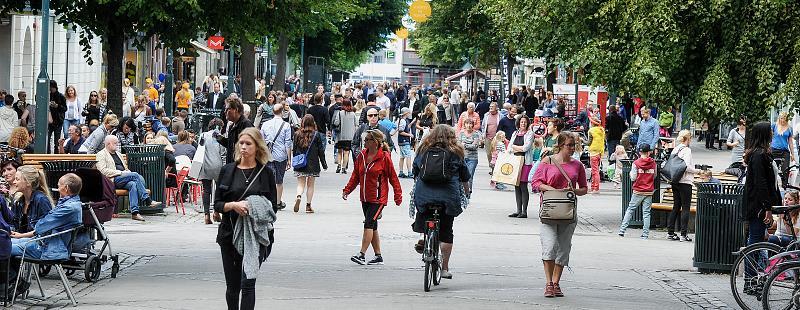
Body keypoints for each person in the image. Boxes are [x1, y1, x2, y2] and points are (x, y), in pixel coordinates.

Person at [213, 127, 277, 310]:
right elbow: (217, 204)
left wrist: (254, 207)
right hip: (229, 234)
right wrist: (233, 205)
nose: (243, 147)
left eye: (248, 144)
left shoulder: (266, 173)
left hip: (256, 236)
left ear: (257, 147)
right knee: (233, 287)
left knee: (248, 284)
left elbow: (273, 208)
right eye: (241, 143)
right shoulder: (227, 171)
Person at [530, 131, 589, 298]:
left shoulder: (578, 165)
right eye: (569, 145)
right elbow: (535, 182)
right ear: (561, 145)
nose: (572, 148)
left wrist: (573, 190)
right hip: (549, 210)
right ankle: (548, 282)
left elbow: (584, 188)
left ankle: (556, 283)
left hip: (568, 212)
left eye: (574, 145)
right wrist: (554, 191)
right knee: (549, 247)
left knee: (563, 248)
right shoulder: (547, 161)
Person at [410, 124, 470, 279]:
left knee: (424, 213)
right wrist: (467, 192)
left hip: (424, 195)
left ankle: (426, 238)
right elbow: (465, 176)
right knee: (446, 231)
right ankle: (444, 268)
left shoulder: (423, 150)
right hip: (448, 197)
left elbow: (414, 171)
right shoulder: (456, 152)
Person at [343, 130, 402, 266]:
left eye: (367, 140)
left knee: (368, 223)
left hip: (378, 198)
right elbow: (356, 176)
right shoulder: (362, 155)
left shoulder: (384, 157)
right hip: (365, 197)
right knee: (373, 226)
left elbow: (393, 177)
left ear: (375, 142)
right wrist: (347, 190)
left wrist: (397, 195)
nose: (364, 142)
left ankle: (362, 254)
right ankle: (378, 256)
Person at [10, 173, 82, 259]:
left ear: (66, 188)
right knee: (6, 242)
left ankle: (10, 273)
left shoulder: (69, 207)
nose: (58, 189)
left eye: (59, 186)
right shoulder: (69, 203)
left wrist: (38, 227)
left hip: (48, 248)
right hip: (43, 241)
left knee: (4, 247)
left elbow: (40, 226)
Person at [96, 135, 161, 221]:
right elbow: (102, 171)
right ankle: (147, 200)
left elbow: (125, 168)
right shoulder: (101, 154)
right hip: (111, 180)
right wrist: (121, 173)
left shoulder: (118, 154)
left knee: (133, 184)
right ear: (108, 144)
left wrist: (127, 172)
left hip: (123, 179)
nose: (118, 145)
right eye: (115, 143)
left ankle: (135, 213)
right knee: (135, 175)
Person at [667, 130, 699, 242]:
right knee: (685, 207)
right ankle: (683, 234)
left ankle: (670, 232)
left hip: (675, 181)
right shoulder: (687, 150)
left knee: (676, 206)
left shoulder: (676, 149)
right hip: (685, 181)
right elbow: (686, 166)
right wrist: (697, 171)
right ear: (688, 139)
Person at [618, 144, 656, 239]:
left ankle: (622, 230)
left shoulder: (636, 163)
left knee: (630, 209)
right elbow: (654, 175)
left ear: (639, 152)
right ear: (649, 152)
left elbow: (633, 177)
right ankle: (645, 234)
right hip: (649, 191)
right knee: (646, 212)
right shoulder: (653, 163)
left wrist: (631, 174)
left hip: (638, 191)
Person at [260, 104, 293, 211]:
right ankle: (278, 202)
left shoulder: (265, 124)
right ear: (282, 112)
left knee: (268, 179)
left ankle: (268, 200)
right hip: (281, 155)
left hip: (268, 155)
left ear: (273, 112)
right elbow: (287, 143)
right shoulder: (286, 125)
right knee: (279, 180)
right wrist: (289, 158)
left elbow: (261, 141)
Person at [292, 115, 327, 214]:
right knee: (310, 185)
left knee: (300, 184)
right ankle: (308, 205)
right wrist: (324, 164)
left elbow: (294, 149)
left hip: (300, 163)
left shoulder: (297, 134)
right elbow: (321, 151)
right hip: (313, 163)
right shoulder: (316, 135)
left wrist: (295, 161)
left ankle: (298, 196)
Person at [9, 166, 53, 236]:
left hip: (38, 241)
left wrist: (20, 236)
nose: (14, 182)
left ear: (28, 183)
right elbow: (13, 223)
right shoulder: (18, 200)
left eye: (17, 179)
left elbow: (46, 229)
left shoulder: (41, 200)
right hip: (21, 239)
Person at [199, 118, 225, 225]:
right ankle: (216, 212)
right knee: (218, 190)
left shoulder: (203, 135)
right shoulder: (219, 136)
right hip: (218, 165)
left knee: (206, 190)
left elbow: (200, 150)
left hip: (205, 165)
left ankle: (206, 216)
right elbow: (223, 153)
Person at [509, 115, 535, 218]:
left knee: (523, 186)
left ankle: (524, 211)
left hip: (525, 163)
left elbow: (526, 148)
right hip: (515, 162)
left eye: (524, 122)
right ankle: (518, 210)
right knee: (516, 186)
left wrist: (515, 147)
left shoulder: (530, 134)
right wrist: (515, 148)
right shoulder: (515, 133)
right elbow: (509, 147)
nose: (523, 124)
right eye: (521, 122)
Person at [218, 98, 254, 164]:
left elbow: (251, 147)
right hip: (233, 167)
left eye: (227, 109)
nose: (225, 111)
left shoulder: (246, 124)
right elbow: (231, 145)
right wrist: (219, 138)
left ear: (236, 110)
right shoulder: (232, 126)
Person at [332, 99, 358, 174]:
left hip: (341, 136)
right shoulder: (353, 114)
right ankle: (344, 168)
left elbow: (336, 123)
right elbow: (356, 124)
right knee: (346, 153)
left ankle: (339, 165)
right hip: (350, 136)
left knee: (339, 152)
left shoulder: (340, 113)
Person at [459, 118, 482, 192]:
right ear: (464, 125)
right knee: (461, 176)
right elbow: (459, 144)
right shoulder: (461, 133)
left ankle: (468, 192)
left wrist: (464, 145)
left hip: (472, 158)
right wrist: (469, 144)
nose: (468, 125)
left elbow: (474, 146)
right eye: (467, 123)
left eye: (470, 124)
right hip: (463, 157)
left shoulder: (476, 134)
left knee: (469, 175)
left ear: (473, 125)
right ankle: (462, 192)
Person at [772, 112, 794, 186]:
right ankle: (772, 185)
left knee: (785, 169)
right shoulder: (774, 126)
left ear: (786, 119)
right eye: (781, 118)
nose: (782, 120)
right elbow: (769, 137)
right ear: (779, 118)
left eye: (784, 118)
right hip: (774, 150)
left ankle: (784, 185)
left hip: (785, 151)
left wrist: (792, 154)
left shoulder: (789, 128)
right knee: (773, 168)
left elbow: (790, 142)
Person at [48, 80, 67, 154]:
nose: (50, 89)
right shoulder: (48, 95)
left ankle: (56, 155)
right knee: (47, 139)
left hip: (58, 120)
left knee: (57, 140)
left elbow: (65, 108)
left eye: (51, 88)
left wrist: (57, 106)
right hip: (50, 120)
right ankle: (48, 154)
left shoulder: (61, 96)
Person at [587, 122, 605, 194]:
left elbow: (589, 142)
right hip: (599, 152)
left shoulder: (591, 131)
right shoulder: (601, 130)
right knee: (596, 170)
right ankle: (593, 187)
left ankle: (595, 188)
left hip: (593, 152)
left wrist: (582, 140)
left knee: (595, 171)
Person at [397, 108, 415, 178]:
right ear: (406, 113)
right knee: (408, 156)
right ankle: (409, 172)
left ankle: (401, 172)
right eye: (408, 113)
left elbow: (403, 128)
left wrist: (411, 123)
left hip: (401, 141)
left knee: (402, 156)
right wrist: (409, 135)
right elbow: (401, 131)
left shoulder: (402, 120)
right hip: (404, 141)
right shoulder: (403, 121)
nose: (409, 114)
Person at [482, 102, 501, 167]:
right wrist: (483, 134)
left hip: (497, 139)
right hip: (488, 138)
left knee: (496, 153)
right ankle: (491, 166)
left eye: (492, 106)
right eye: (490, 106)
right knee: (489, 154)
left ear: (496, 108)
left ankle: (495, 168)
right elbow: (483, 125)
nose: (490, 107)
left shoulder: (500, 115)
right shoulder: (486, 115)